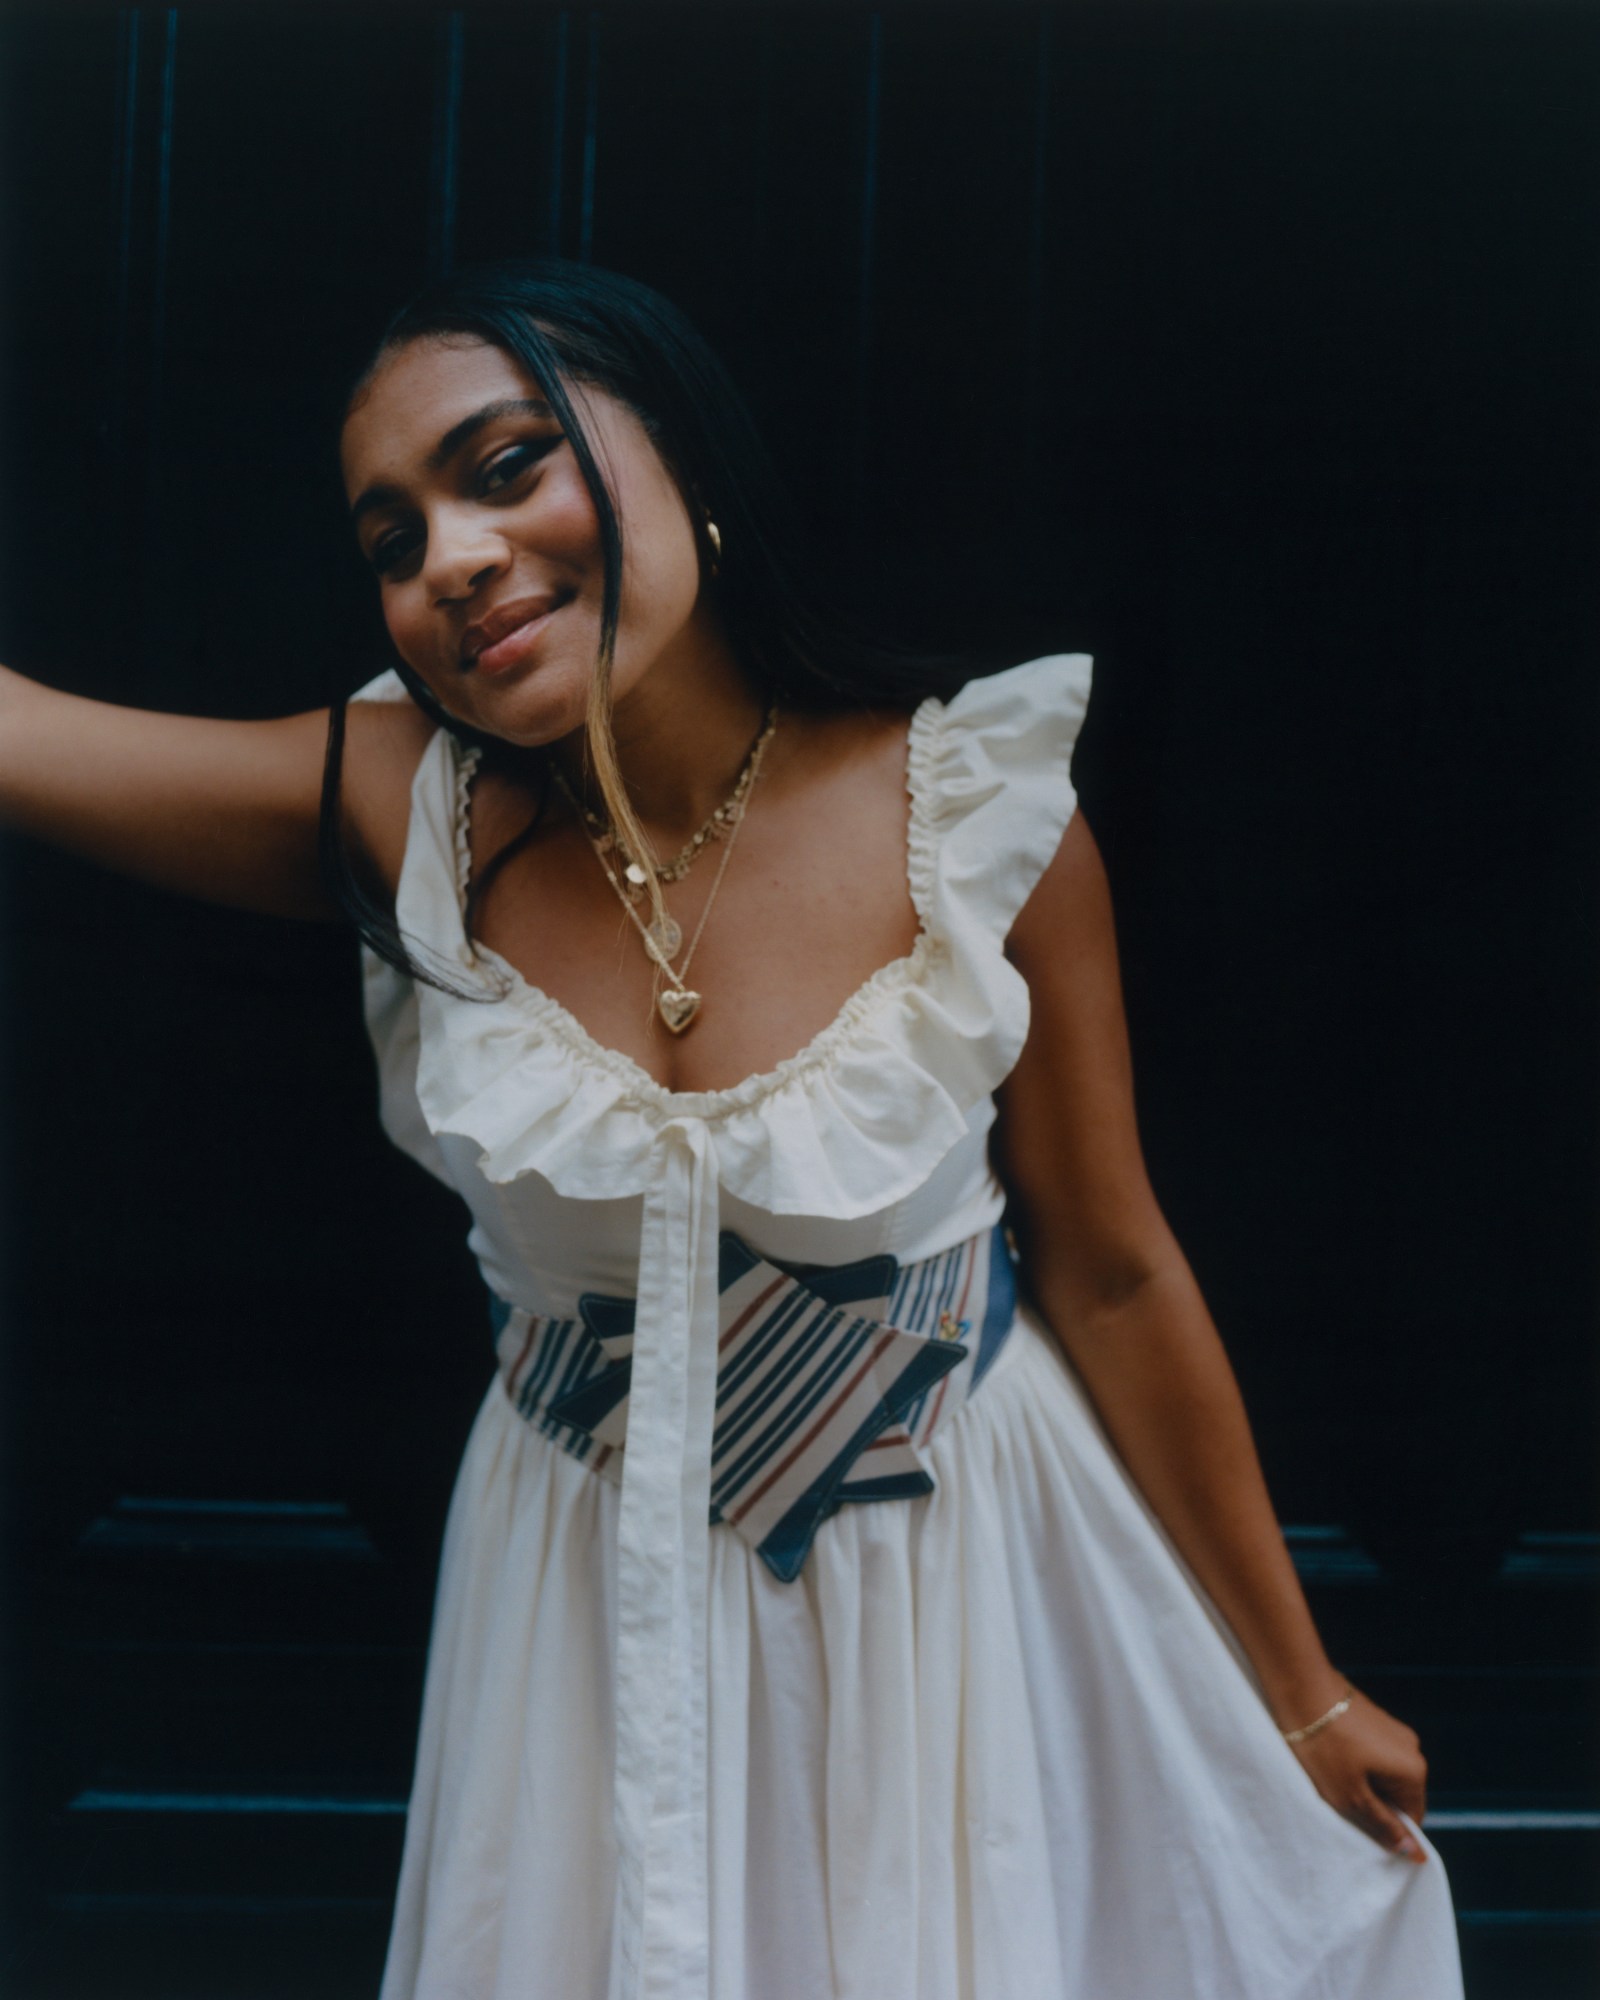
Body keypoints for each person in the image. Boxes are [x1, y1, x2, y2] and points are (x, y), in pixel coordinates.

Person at [0, 259, 1463, 1999]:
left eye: (506, 464)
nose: (452, 560)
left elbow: (1119, 1271)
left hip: (950, 1598)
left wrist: (1299, 1689)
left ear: (679, 456)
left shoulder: (976, 823)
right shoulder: (406, 809)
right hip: (573, 1614)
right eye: (392, 541)